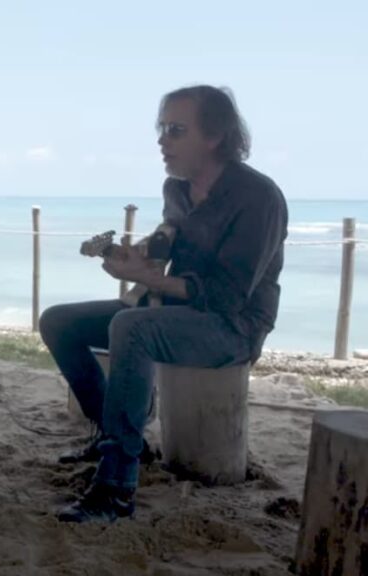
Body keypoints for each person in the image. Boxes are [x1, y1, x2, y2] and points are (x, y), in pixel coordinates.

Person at [39, 85, 288, 523]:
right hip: (171, 310)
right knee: (58, 321)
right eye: (162, 129)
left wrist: (149, 278)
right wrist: (138, 256)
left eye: (176, 130)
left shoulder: (258, 197)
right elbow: (169, 236)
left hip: (234, 326)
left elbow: (228, 297)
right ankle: (118, 437)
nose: (162, 140)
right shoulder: (176, 188)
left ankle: (116, 487)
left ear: (215, 136)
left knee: (132, 327)